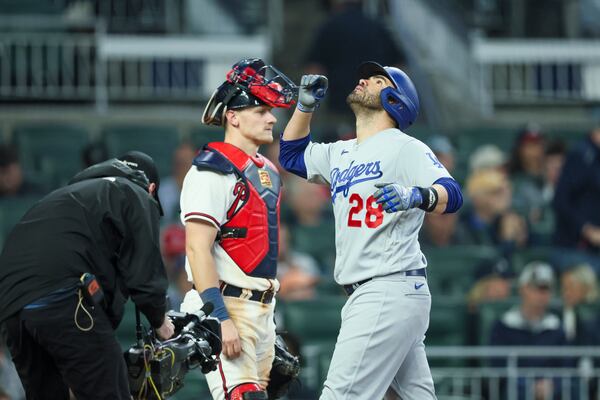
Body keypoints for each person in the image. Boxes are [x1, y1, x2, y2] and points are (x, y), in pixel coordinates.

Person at [279, 62, 463, 399]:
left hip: (387, 286)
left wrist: (418, 195)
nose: (362, 79)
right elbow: (291, 156)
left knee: (340, 394)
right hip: (378, 292)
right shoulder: (340, 151)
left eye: (377, 80)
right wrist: (304, 107)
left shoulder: (405, 147)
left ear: (396, 99)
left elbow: (453, 194)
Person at [0, 151, 174, 400]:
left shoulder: (70, 195)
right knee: (108, 390)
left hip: (11, 304)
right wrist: (160, 321)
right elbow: (144, 277)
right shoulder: (134, 192)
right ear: (152, 188)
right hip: (60, 294)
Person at [178, 58, 296, 400]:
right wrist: (219, 316)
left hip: (263, 310)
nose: (271, 117)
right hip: (227, 304)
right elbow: (197, 249)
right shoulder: (210, 171)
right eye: (260, 110)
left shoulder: (267, 169)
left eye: (271, 110)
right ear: (233, 116)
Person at [488, 261, 566, 400]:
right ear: (523, 288)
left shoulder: (556, 327)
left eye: (547, 289)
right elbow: (498, 365)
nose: (542, 294)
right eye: (537, 288)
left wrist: (552, 383)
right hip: (514, 391)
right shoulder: (504, 325)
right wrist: (528, 385)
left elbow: (566, 366)